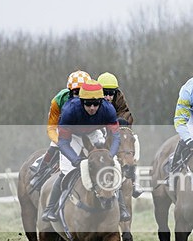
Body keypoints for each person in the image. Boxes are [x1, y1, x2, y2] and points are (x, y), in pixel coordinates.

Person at [41, 79, 129, 222]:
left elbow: (116, 137)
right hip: (72, 136)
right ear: (81, 101)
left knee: (113, 166)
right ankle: (50, 209)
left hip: (93, 132)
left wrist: (110, 156)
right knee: (66, 170)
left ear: (101, 102)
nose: (92, 107)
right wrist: (75, 160)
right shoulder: (69, 111)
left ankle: (122, 208)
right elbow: (63, 142)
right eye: (88, 104)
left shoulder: (108, 110)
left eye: (96, 104)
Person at [29, 70, 91, 191]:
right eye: (76, 93)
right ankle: (41, 170)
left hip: (86, 131)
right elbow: (51, 127)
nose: (80, 97)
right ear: (69, 91)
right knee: (55, 144)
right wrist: (60, 142)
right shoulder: (58, 100)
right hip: (63, 128)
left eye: (83, 92)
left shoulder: (94, 98)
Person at [97, 71, 142, 198]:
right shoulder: (93, 98)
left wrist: (122, 123)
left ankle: (134, 181)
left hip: (115, 129)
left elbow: (126, 113)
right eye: (105, 93)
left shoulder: (119, 97)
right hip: (99, 129)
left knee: (135, 139)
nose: (108, 97)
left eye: (111, 93)